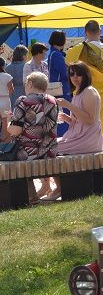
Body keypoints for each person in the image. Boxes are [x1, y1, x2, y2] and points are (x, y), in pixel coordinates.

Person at [66, 20, 103, 147]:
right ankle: (102, 158)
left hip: (81, 96)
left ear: (86, 32)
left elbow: (69, 63)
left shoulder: (77, 50)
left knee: (80, 128)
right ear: (100, 31)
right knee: (101, 129)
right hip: (102, 97)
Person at [7, 72, 59, 202]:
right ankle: (39, 190)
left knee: (13, 155)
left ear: (30, 84)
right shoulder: (53, 101)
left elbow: (16, 130)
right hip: (50, 150)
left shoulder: (23, 101)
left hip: (29, 152)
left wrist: (8, 121)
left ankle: (30, 194)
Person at [0, 59, 12, 136]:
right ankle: (6, 143)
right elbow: (11, 90)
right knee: (6, 123)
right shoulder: (7, 76)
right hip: (5, 100)